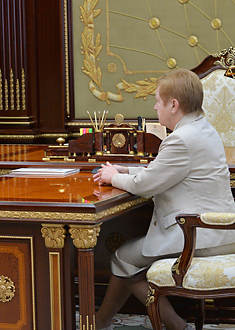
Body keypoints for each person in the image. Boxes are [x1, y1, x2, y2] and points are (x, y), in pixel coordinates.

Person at [92, 68, 235, 330]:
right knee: (129, 259)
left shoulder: (181, 139)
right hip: (219, 232)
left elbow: (145, 186)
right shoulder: (202, 129)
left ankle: (170, 326)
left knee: (122, 259)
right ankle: (105, 322)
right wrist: (127, 170)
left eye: (158, 100)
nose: (155, 106)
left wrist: (113, 177)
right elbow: (165, 172)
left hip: (198, 235)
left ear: (173, 104)